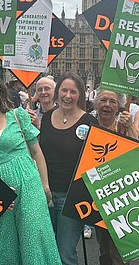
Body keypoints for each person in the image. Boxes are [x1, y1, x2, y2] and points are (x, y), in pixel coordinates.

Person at [0, 73, 61, 265]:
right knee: (4, 243)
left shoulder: (18, 116)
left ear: (1, 93)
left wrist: (45, 187)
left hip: (29, 184)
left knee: (35, 238)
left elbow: (37, 152)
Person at [39, 72, 97, 265]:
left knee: (65, 253)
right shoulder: (46, 118)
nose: (68, 95)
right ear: (57, 92)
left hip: (72, 197)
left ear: (80, 94)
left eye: (73, 91)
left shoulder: (89, 122)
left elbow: (95, 161)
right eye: (64, 90)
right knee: (45, 250)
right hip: (44, 194)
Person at [93, 89, 136, 265]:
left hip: (120, 194)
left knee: (119, 248)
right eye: (103, 100)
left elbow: (138, 152)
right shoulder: (88, 125)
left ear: (118, 106)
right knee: (103, 246)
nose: (107, 105)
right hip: (96, 194)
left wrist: (131, 127)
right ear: (96, 103)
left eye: (112, 102)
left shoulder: (122, 127)